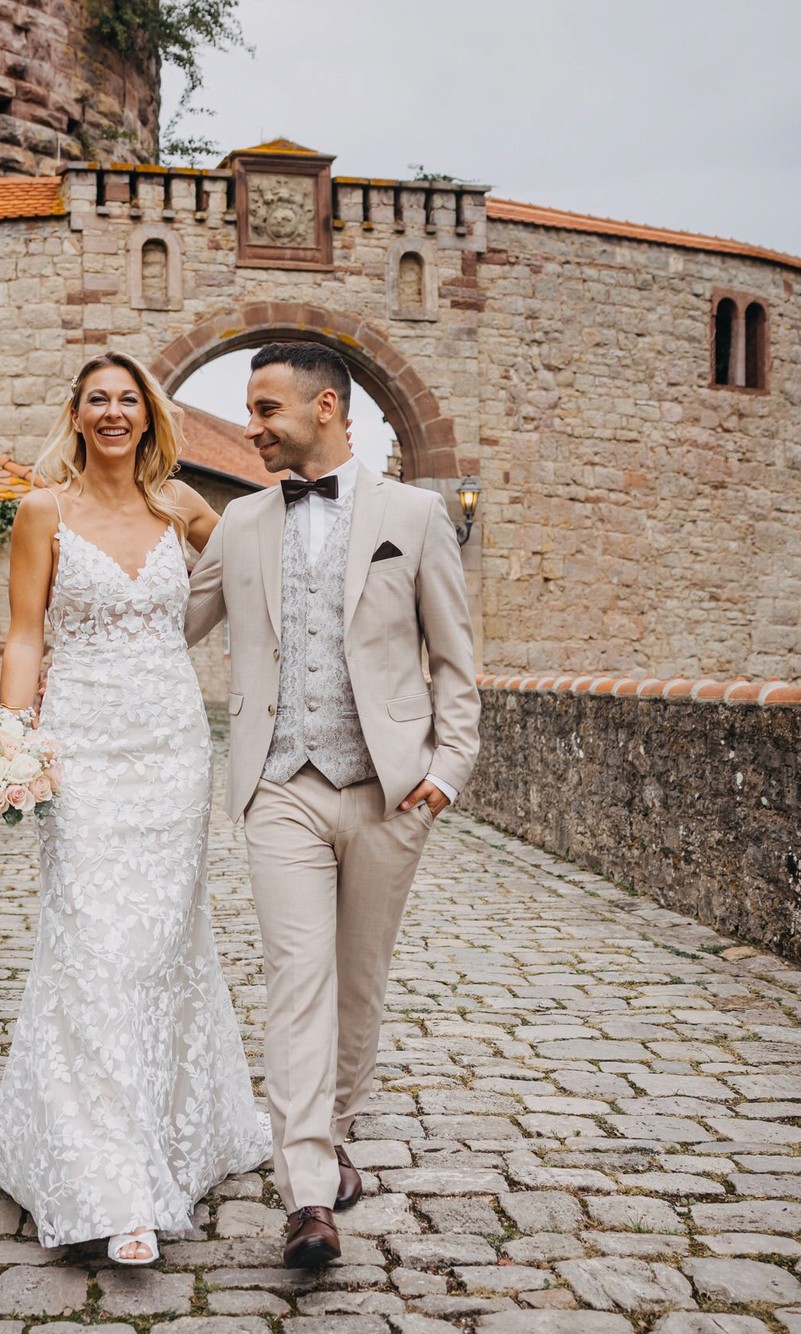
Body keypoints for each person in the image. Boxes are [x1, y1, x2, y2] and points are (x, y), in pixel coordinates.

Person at [185, 341, 480, 1269]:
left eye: (266, 409)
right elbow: (171, 628)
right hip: (281, 786)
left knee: (358, 985)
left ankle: (332, 1130)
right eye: (248, 410)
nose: (252, 428)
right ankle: (307, 1193)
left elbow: (454, 660)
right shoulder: (241, 523)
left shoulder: (415, 515)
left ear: (325, 408)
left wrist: (447, 772)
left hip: (390, 791)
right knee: (296, 981)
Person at [0, 351, 271, 1266]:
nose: (114, 412)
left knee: (159, 945)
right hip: (83, 749)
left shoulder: (181, 506)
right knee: (94, 947)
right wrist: (9, 743)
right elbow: (24, 637)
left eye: (128, 400)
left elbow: (258, 572)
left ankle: (177, 1130)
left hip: (172, 749)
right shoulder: (43, 511)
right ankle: (109, 1185)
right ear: (76, 415)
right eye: (97, 400)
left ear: (150, 415)